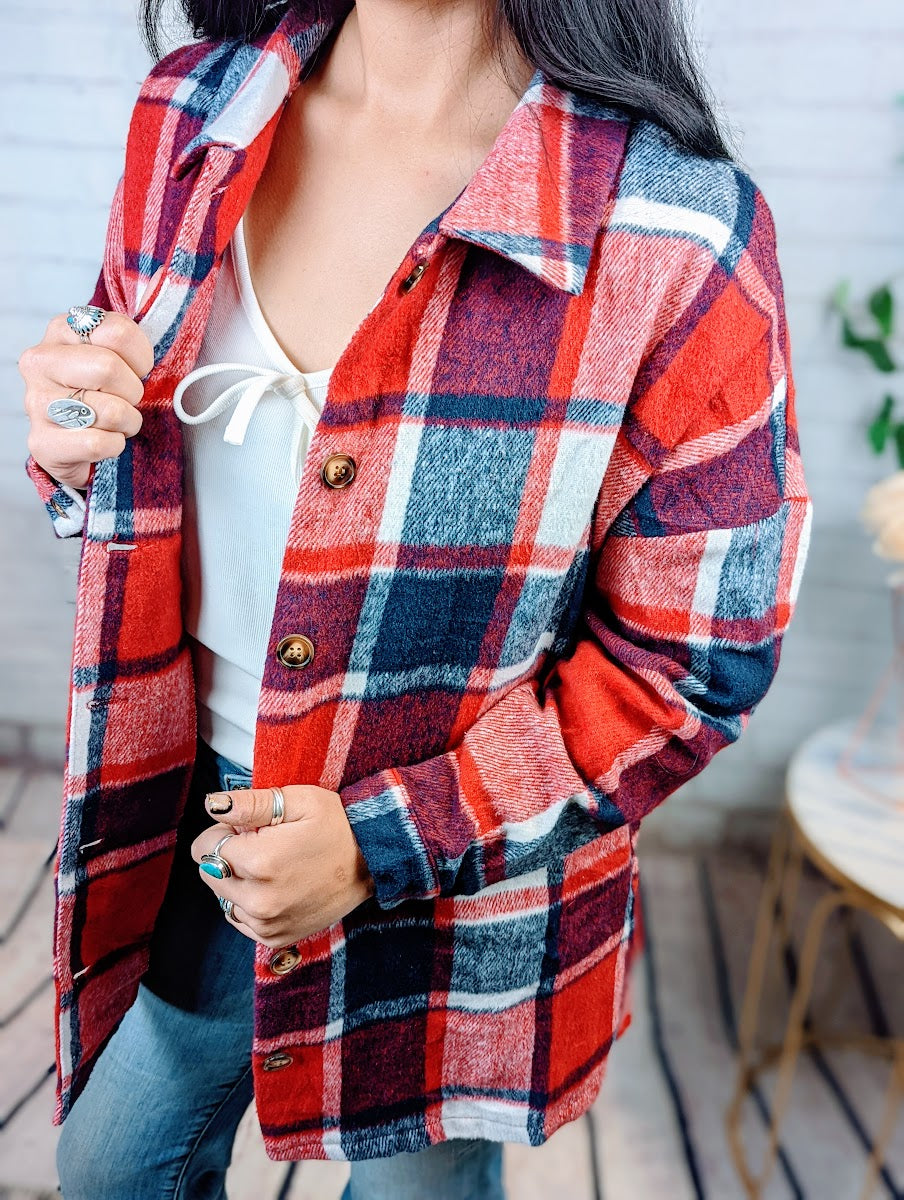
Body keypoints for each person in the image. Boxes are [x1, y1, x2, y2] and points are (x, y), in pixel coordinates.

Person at [18, 0, 812, 1195]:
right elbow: (121, 456)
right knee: (109, 1165)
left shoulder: (677, 236)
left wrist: (381, 843)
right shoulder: (192, 114)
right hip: (183, 812)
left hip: (457, 896)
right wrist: (74, 433)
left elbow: (686, 667)